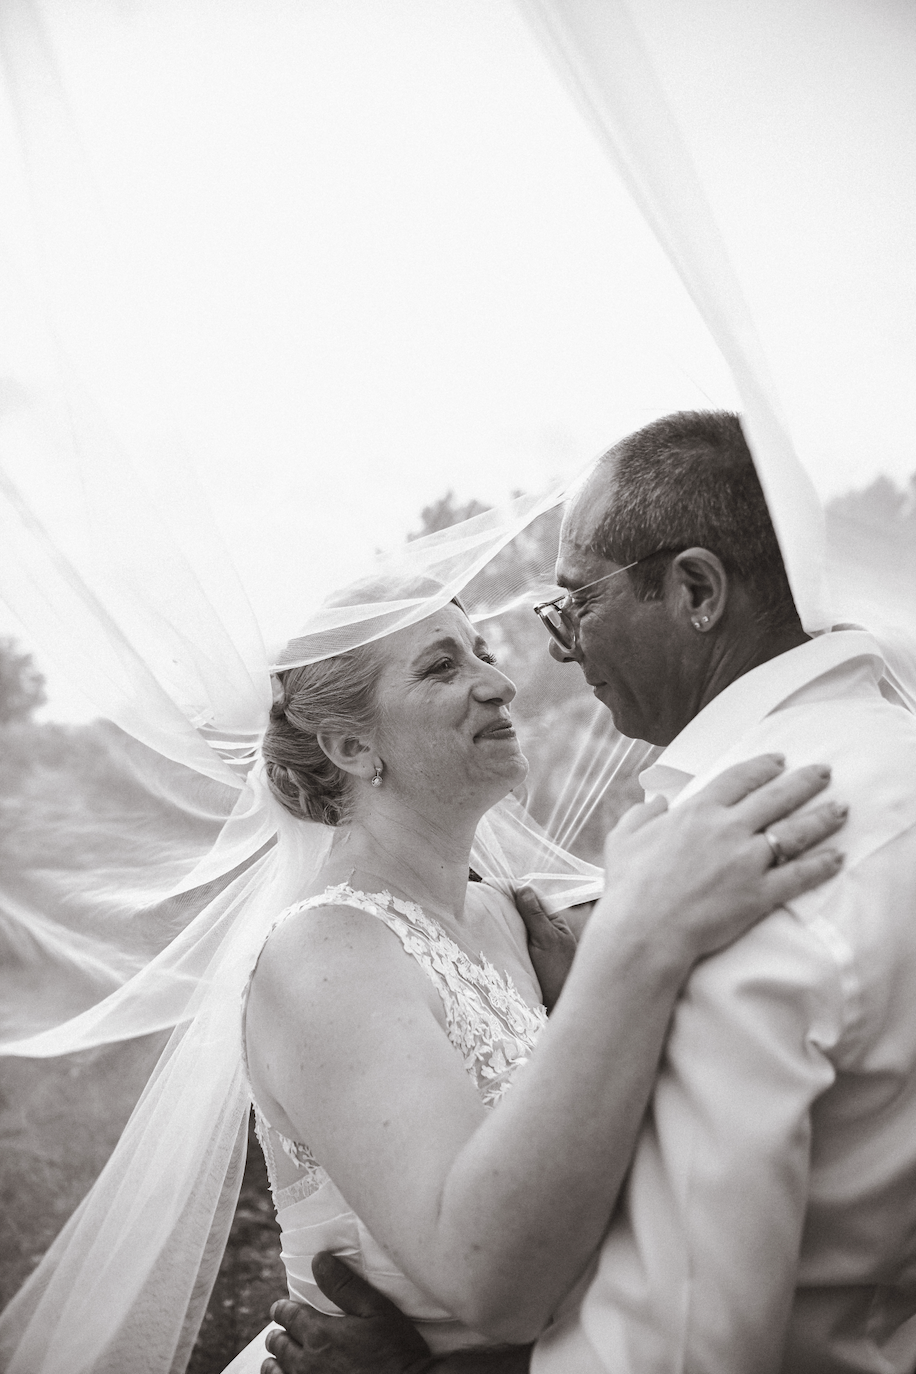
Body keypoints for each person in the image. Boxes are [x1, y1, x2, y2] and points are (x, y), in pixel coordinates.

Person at [262, 409, 916, 1374]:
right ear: (353, 747)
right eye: (446, 665)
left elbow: (679, 1325)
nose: (517, 677)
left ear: (697, 589)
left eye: (571, 604)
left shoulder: (637, 897)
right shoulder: (328, 954)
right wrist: (621, 966)